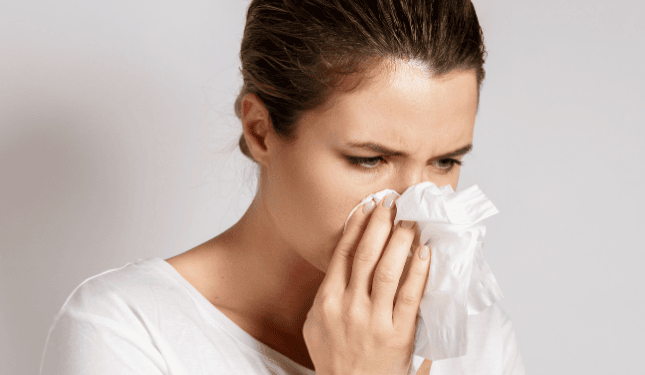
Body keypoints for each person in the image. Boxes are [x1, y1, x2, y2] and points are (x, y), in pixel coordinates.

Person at [40, 0, 525, 374]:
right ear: (260, 130)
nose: (416, 210)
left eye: (446, 161)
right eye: (369, 159)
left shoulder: (473, 337)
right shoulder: (127, 330)